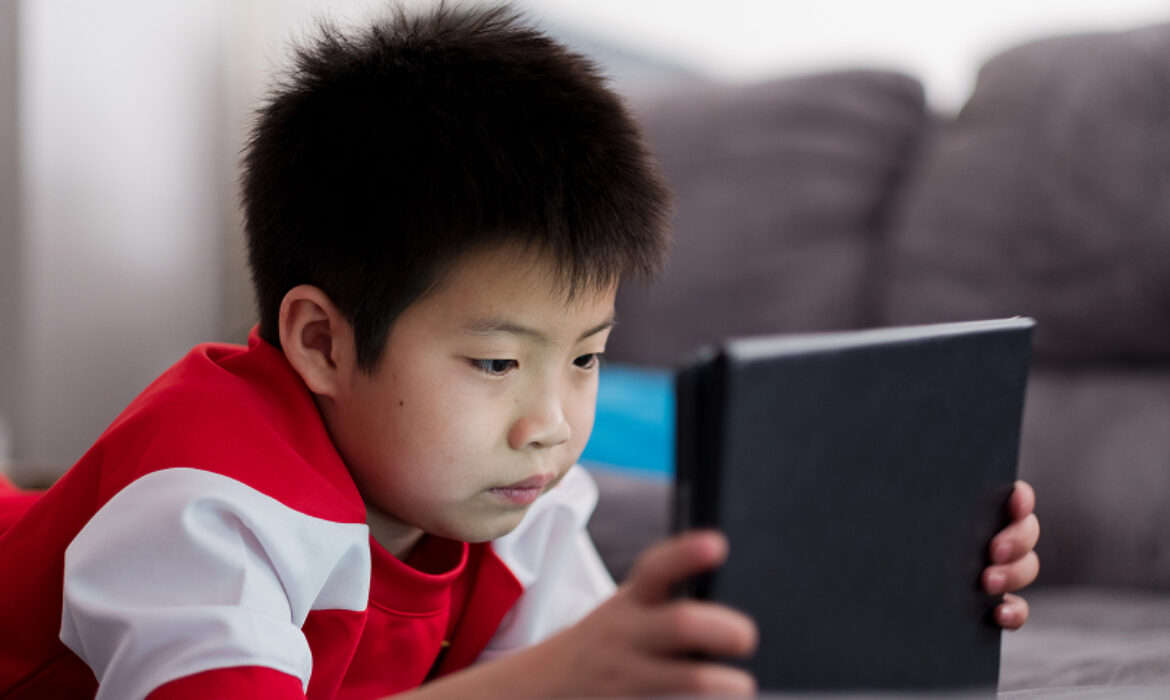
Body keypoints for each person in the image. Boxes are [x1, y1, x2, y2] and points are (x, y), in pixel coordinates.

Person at [0, 4, 1041, 698]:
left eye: (584, 358)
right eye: (497, 363)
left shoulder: (509, 496)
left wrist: (896, 591)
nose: (553, 422)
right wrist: (563, 673)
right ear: (321, 339)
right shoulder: (204, 501)